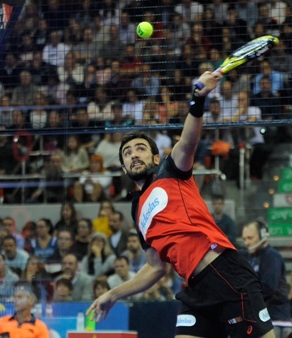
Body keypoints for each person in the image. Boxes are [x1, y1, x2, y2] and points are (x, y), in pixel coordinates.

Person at [88, 71, 275, 337]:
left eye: (140, 149)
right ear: (123, 167)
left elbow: (188, 142)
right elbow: (155, 267)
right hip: (194, 289)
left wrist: (197, 100)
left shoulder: (171, 170)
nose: (133, 155)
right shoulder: (137, 210)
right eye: (127, 154)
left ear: (155, 158)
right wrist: (113, 293)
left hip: (225, 273)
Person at [241, 221, 292, 338]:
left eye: (250, 238)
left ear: (263, 235)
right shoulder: (248, 256)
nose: (246, 243)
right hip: (260, 318)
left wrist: (244, 297)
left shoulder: (271, 256)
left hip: (275, 318)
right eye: (244, 239)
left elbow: (268, 288)